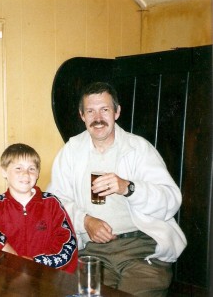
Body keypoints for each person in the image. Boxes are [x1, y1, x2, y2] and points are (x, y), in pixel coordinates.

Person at [47, 82, 187, 295]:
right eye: (90, 111)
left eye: (104, 109)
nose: (98, 118)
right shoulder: (71, 151)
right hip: (93, 252)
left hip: (141, 249)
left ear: (117, 112)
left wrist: (128, 188)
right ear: (82, 115)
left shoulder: (139, 149)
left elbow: (171, 201)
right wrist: (85, 221)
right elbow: (54, 202)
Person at [0, 143, 78, 273]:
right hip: (7, 279)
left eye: (32, 169)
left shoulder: (52, 204)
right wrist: (1, 242)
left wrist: (35, 263)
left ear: (38, 173)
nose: (26, 174)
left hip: (44, 275)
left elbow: (68, 244)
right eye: (18, 168)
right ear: (4, 172)